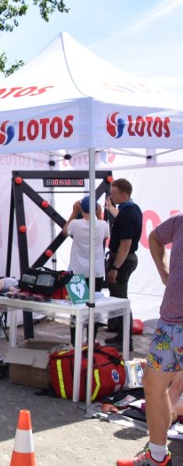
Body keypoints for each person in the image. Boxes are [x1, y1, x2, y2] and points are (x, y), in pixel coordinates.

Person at [117, 213, 183, 466]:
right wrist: (165, 271)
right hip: (169, 322)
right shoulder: (179, 222)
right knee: (153, 383)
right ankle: (157, 457)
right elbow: (155, 236)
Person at [63, 195, 110, 344]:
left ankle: (75, 341)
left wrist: (72, 212)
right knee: (93, 309)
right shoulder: (103, 224)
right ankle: (91, 341)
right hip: (96, 272)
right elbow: (105, 236)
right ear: (96, 209)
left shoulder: (75, 224)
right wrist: (99, 215)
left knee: (76, 308)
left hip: (77, 271)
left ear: (80, 209)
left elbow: (65, 231)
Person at [104, 178, 142, 351]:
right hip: (128, 259)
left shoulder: (127, 214)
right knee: (119, 298)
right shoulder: (132, 209)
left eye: (114, 194)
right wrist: (111, 208)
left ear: (124, 194)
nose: (112, 197)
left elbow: (125, 244)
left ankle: (126, 340)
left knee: (120, 301)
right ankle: (121, 336)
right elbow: (122, 220)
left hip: (123, 260)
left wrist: (115, 268)